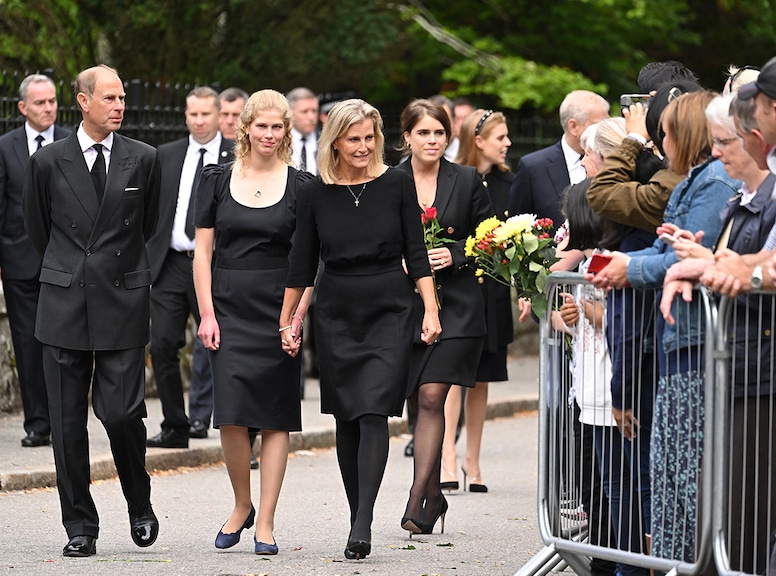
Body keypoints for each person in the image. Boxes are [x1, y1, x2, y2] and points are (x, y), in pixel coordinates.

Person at [279, 99, 441, 560]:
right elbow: (301, 262)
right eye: (355, 139)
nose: (365, 147)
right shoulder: (314, 191)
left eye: (370, 138)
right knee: (346, 417)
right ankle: (358, 516)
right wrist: (287, 320)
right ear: (336, 140)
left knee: (373, 411)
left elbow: (417, 252)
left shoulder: (397, 183)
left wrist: (430, 309)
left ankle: (363, 521)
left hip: (390, 305)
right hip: (335, 310)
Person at [589, 90, 739, 563]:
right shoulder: (695, 178)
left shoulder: (712, 181)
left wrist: (626, 269)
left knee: (687, 475)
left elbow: (685, 255)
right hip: (677, 337)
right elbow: (664, 249)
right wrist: (621, 261)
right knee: (670, 471)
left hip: (697, 340)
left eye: (666, 130)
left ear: (686, 133)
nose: (659, 139)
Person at [22, 64, 161, 557]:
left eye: (123, 98)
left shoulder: (143, 159)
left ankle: (138, 501)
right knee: (64, 423)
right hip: (63, 300)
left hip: (122, 297)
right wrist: (69, 269)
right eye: (109, 98)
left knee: (123, 415)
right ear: (82, 102)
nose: (120, 106)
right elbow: (39, 230)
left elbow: (146, 226)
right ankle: (80, 526)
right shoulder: (47, 162)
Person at [193, 89, 311, 555]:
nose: (268, 134)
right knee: (233, 416)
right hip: (228, 308)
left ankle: (265, 520)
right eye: (260, 125)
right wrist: (206, 313)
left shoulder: (302, 186)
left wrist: (296, 317)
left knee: (277, 415)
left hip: (279, 309)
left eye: (276, 126)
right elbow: (202, 252)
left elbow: (309, 262)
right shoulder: (216, 179)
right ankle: (241, 504)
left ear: (285, 131)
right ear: (245, 127)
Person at [396, 98, 493, 538]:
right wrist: (399, 260)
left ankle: (417, 497)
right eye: (423, 133)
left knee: (433, 396)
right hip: (404, 308)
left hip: (457, 308)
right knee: (418, 400)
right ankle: (435, 497)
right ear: (407, 138)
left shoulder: (468, 179)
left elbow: (491, 241)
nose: (432, 140)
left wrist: (453, 254)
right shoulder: (389, 180)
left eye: (439, 133)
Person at [145, 86, 234, 449]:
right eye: (192, 115)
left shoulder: (234, 156)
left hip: (215, 266)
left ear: (218, 115)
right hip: (170, 264)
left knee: (224, 348)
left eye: (205, 114)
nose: (199, 121)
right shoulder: (166, 155)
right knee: (162, 345)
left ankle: (240, 433)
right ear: (185, 116)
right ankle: (175, 426)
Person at [438, 108, 514, 493]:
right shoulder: (452, 178)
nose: (508, 144)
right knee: (452, 376)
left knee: (482, 379)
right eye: (501, 138)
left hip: (494, 290)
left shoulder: (509, 183)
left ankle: (473, 460)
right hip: (458, 288)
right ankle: (447, 457)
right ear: (478, 141)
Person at [0, 74, 69, 448]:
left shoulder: (73, 142)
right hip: (19, 262)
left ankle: (64, 421)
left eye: (52, 102)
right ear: (23, 107)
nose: (48, 108)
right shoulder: (5, 147)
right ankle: (38, 424)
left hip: (64, 261)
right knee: (27, 344)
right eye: (40, 103)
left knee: (63, 344)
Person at [508, 89, 610, 235]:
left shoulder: (610, 160)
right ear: (573, 126)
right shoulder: (534, 167)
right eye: (598, 124)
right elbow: (516, 225)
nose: (604, 130)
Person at [287, 87, 319, 175]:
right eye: (305, 112)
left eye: (314, 111)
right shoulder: (281, 140)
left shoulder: (325, 140)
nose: (311, 117)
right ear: (290, 113)